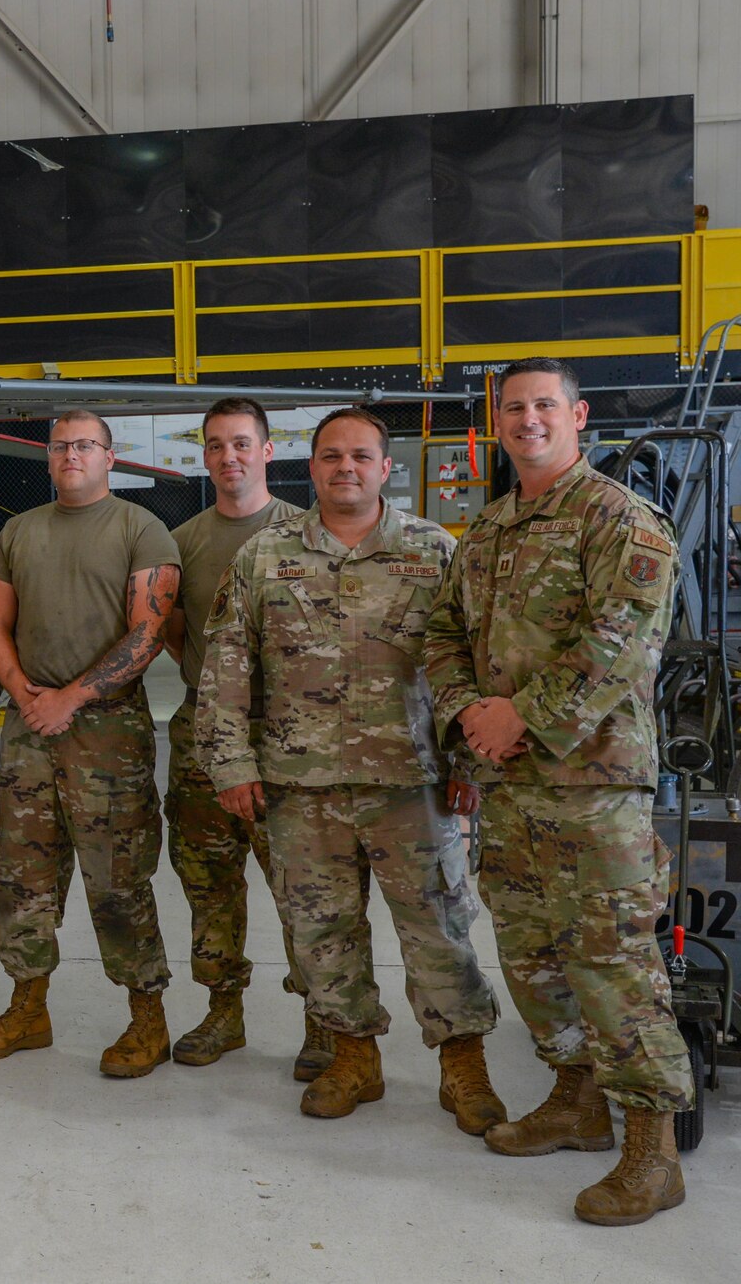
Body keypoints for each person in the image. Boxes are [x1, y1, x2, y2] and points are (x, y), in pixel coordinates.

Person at [425, 356, 691, 1225]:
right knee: (534, 958)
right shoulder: (489, 531)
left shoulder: (620, 519)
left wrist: (523, 719)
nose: (528, 419)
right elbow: (441, 635)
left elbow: (622, 641)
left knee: (614, 963)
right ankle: (576, 1099)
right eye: (513, 406)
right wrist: (469, 713)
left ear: (578, 417)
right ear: (495, 420)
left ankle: (652, 1153)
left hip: (594, 784)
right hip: (509, 788)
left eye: (545, 405)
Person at [198, 407, 504, 1130]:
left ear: (385, 467)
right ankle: (352, 1058)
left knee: (440, 928)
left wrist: (470, 764)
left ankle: (464, 1067)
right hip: (301, 785)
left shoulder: (434, 550)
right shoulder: (265, 556)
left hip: (415, 783)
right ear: (311, 468)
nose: (346, 468)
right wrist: (231, 763)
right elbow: (227, 665)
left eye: (361, 456)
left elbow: (472, 664)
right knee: (323, 931)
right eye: (331, 456)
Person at [0, 411, 179, 1073]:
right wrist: (26, 693)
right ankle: (29, 1008)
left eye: (86, 445)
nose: (72, 455)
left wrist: (74, 696)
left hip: (106, 730)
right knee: (22, 876)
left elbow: (148, 634)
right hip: (31, 725)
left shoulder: (140, 529)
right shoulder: (20, 531)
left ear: (110, 457)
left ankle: (149, 1019)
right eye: (61, 446)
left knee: (117, 879)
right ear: (48, 457)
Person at [161, 398, 318, 1075]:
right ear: (204, 456)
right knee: (207, 878)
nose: (230, 457)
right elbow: (175, 631)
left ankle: (324, 1022)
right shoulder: (184, 539)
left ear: (268, 449)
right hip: (203, 732)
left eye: (242, 444)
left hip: (289, 738)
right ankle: (224, 1011)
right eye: (217, 445)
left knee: (307, 887)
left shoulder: (305, 533)